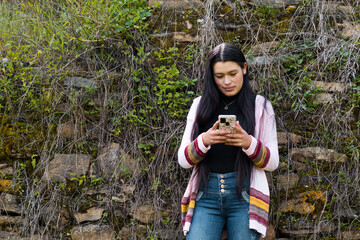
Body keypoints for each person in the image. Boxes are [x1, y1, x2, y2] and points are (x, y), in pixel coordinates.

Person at [178, 43, 279, 240]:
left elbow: (273, 162)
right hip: (205, 195)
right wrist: (204, 140)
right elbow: (183, 160)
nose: (227, 81)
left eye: (233, 73)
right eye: (219, 76)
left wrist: (247, 142)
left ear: (244, 68)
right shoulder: (199, 105)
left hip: (245, 196)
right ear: (212, 76)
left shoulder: (260, 106)